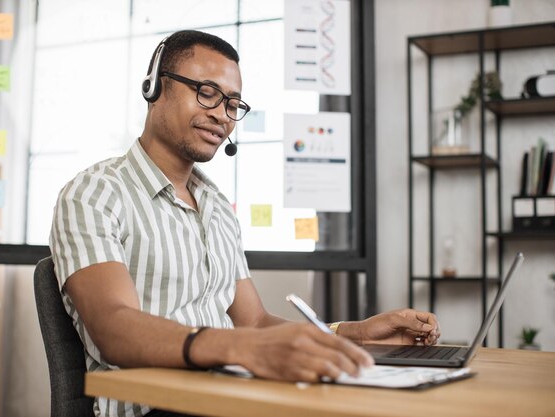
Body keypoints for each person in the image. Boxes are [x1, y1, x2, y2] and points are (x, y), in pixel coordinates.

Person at [50, 30, 440, 417]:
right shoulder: (94, 194)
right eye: (207, 92)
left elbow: (252, 322)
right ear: (155, 88)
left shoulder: (218, 207)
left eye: (233, 103)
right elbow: (114, 328)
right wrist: (238, 348)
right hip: (152, 407)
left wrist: (351, 334)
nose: (222, 114)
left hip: (228, 396)